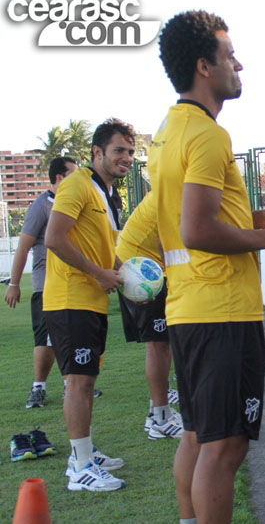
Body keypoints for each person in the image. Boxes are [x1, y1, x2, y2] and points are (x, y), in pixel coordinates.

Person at [153, 10, 265, 523]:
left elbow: (196, 220)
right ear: (204, 66)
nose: (239, 64)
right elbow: (197, 229)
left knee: (200, 438)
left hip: (192, 308)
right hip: (219, 311)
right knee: (225, 448)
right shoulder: (206, 134)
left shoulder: (170, 129)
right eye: (228, 55)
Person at [44, 119, 134, 491]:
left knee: (85, 380)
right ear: (96, 152)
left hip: (92, 301)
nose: (126, 158)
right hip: (70, 300)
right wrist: (98, 273)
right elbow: (53, 237)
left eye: (130, 152)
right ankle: (80, 468)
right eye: (118, 151)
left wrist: (124, 272)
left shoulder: (108, 194)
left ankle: (83, 452)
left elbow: (103, 249)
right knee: (78, 382)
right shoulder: (77, 184)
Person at [4, 157, 76, 409]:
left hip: (71, 286)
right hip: (45, 286)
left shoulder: (72, 204)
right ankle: (38, 389)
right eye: (72, 173)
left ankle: (72, 385)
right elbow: (23, 247)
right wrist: (13, 284)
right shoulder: (41, 205)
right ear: (59, 177)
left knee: (69, 336)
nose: (77, 179)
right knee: (45, 339)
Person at [115, 192, 184, 440]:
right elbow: (165, 245)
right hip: (140, 271)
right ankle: (160, 419)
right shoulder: (173, 193)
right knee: (158, 344)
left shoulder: (173, 187)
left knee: (163, 342)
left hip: (145, 266)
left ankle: (158, 412)